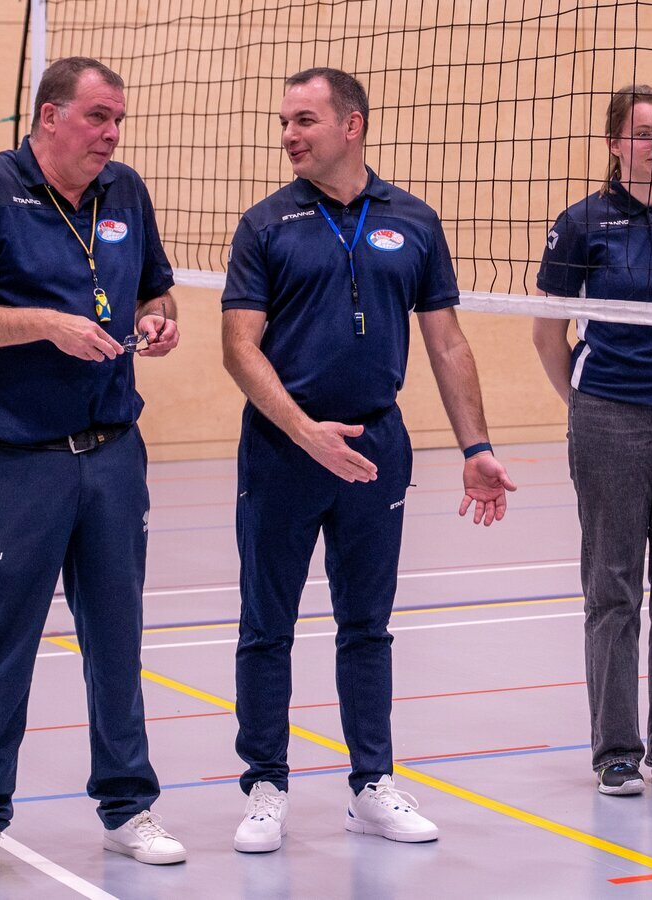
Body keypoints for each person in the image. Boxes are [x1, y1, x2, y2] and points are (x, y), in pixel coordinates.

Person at [221, 67, 516, 852]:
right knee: (266, 624)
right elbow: (240, 348)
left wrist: (477, 447)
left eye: (304, 120)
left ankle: (371, 786)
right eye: (285, 121)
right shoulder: (265, 224)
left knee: (367, 625)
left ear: (351, 126)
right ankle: (265, 785)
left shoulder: (413, 220)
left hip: (378, 445)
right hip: (284, 449)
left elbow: (447, 343)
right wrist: (303, 430)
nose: (289, 134)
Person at [0, 57, 186, 885]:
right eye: (98, 117)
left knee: (117, 638)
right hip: (17, 463)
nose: (112, 134)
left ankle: (128, 806)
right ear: (49, 116)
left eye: (118, 120)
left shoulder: (125, 191)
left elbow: (156, 293)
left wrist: (159, 321)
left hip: (113, 453)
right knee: (0, 645)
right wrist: (46, 324)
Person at [533, 85, 652, 796]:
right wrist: (586, 407)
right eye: (643, 133)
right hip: (610, 410)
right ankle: (616, 750)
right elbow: (547, 333)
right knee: (612, 586)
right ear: (614, 144)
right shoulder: (582, 223)